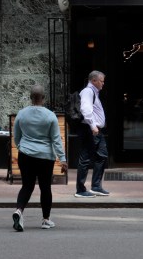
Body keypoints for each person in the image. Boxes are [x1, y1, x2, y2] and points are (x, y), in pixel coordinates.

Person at [11, 85, 68, 231]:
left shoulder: (22, 114)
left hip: (26, 155)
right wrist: (62, 159)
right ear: (43, 98)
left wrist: (21, 147)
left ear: (30, 97)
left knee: (27, 186)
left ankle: (19, 210)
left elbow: (16, 136)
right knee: (45, 187)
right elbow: (56, 139)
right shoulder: (50, 116)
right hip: (45, 157)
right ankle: (46, 220)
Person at [74, 70, 109, 198]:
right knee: (86, 158)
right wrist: (93, 126)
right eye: (101, 81)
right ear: (94, 80)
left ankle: (96, 186)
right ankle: (80, 189)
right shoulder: (88, 92)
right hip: (90, 130)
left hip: (96, 130)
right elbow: (85, 109)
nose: (103, 84)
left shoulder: (94, 92)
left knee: (102, 155)